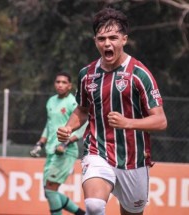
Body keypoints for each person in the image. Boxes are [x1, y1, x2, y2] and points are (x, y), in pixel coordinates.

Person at [57, 7, 167, 215]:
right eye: (101, 38)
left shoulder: (139, 74)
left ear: (124, 39)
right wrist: (69, 127)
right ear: (95, 41)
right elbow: (82, 110)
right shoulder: (86, 75)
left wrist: (128, 123)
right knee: (94, 205)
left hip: (133, 159)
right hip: (97, 151)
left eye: (113, 37)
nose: (107, 43)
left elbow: (160, 121)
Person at [30, 72, 86, 215]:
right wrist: (40, 144)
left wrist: (65, 144)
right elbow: (49, 126)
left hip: (65, 152)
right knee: (48, 191)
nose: (60, 85)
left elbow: (82, 127)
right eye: (58, 82)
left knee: (50, 189)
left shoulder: (73, 103)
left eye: (64, 82)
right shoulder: (51, 101)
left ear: (70, 86)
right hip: (51, 151)